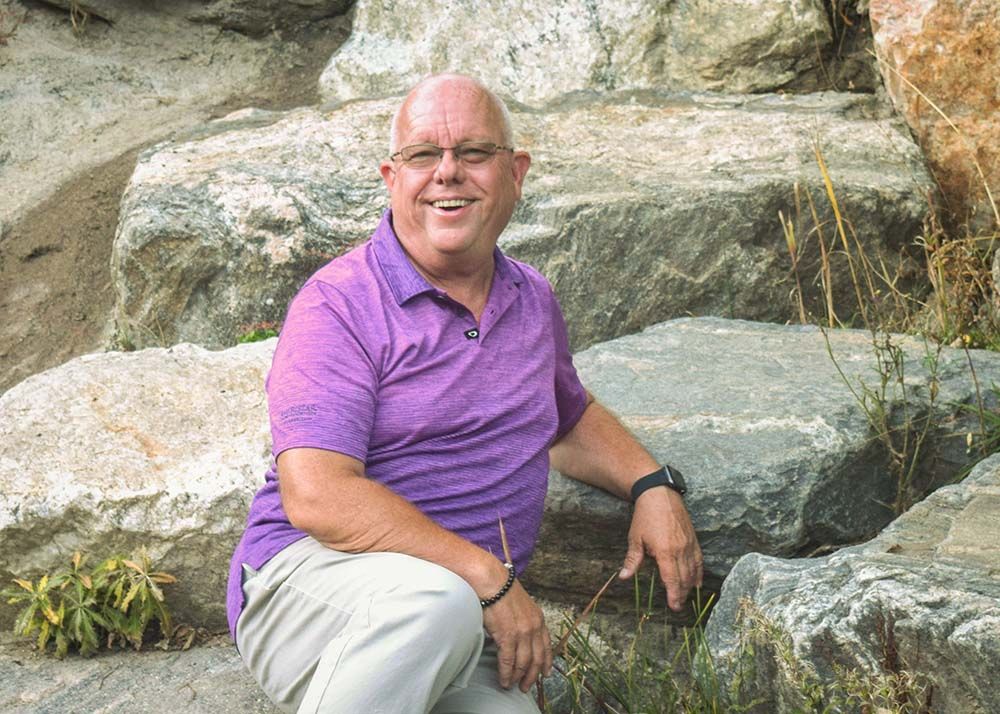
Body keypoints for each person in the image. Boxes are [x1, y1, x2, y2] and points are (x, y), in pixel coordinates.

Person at [226, 73, 702, 714]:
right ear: (392, 179)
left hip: (468, 624)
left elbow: (565, 419)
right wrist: (488, 579)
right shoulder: (338, 304)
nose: (447, 173)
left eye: (474, 153)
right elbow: (316, 495)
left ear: (516, 173)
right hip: (312, 587)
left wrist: (652, 485)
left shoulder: (530, 297)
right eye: (424, 155)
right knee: (436, 602)